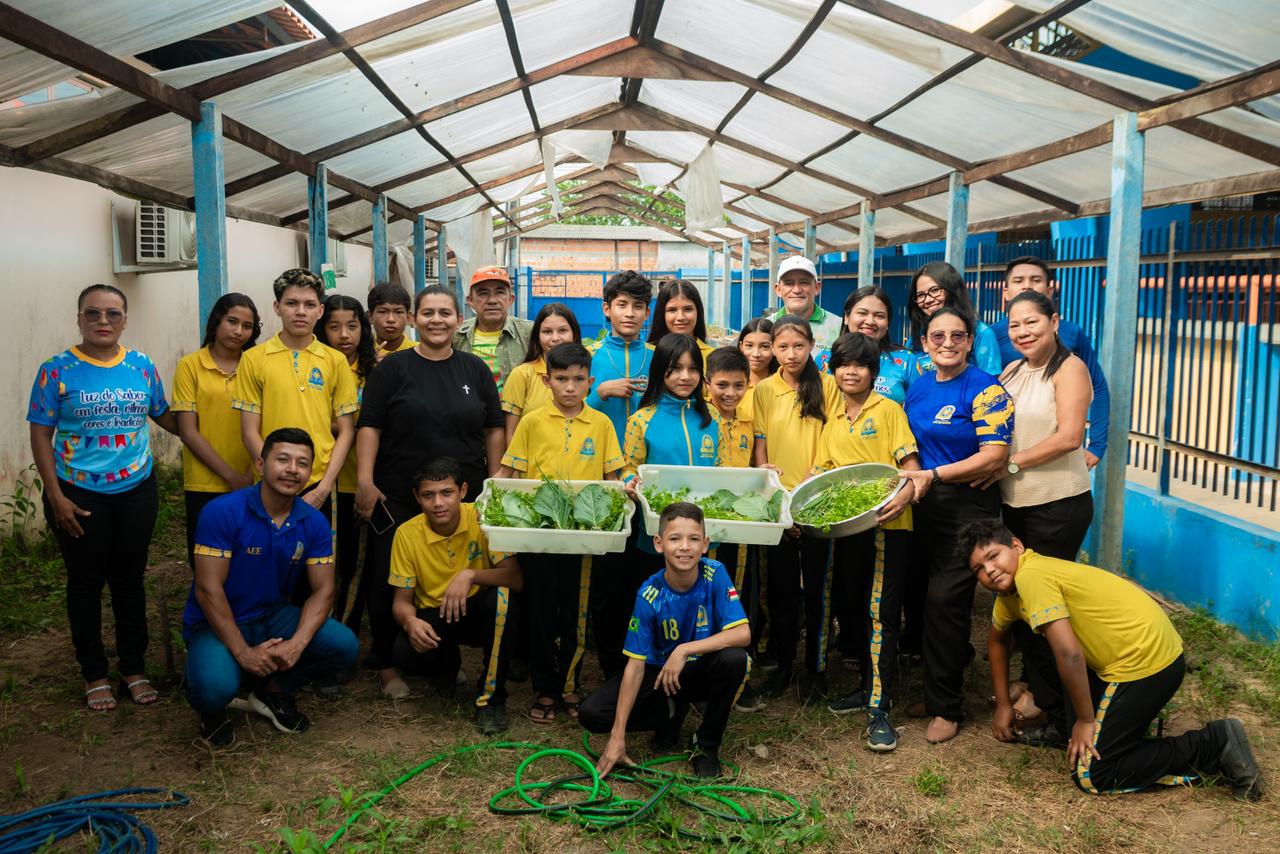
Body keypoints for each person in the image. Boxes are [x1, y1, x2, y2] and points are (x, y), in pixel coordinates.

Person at [962, 520, 1263, 801]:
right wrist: (1003, 704)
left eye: (993, 556)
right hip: (1144, 657)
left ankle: (1214, 743)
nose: (989, 570)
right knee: (1082, 741)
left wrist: (1086, 720)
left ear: (1016, 546)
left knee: (1094, 774)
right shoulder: (1010, 594)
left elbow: (1069, 654)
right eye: (978, 568)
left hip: (1144, 665)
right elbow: (997, 640)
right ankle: (1112, 732)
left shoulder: (1031, 575)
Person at [28, 283, 177, 711]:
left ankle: (133, 667)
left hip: (136, 489)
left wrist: (208, 436)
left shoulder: (141, 365)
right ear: (79, 319)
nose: (103, 322)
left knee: (129, 581)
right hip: (77, 492)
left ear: (125, 320)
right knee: (86, 583)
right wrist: (54, 495)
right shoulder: (56, 370)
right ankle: (94, 673)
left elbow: (161, 413)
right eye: (93, 314)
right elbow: (40, 433)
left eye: (112, 314)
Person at [356, 285, 503, 700]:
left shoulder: (474, 370)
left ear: (459, 320)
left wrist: (493, 483)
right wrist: (366, 480)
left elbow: (493, 428)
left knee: (465, 574)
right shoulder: (392, 369)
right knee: (388, 578)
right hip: (399, 496)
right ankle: (386, 664)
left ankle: (448, 649)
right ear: (412, 319)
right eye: (427, 313)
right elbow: (370, 426)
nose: (436, 320)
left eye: (445, 313)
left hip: (465, 496)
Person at [183, 428, 360, 747]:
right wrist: (242, 652)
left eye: (302, 463)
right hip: (215, 622)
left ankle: (273, 689)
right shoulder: (222, 512)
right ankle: (213, 708)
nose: (293, 469)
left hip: (272, 617)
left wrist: (297, 644)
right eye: (283, 459)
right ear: (261, 465)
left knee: (344, 646)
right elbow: (208, 590)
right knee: (214, 687)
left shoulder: (314, 522)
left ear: (309, 473)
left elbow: (324, 591)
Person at [900, 308, 1013, 744]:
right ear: (925, 343)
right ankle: (936, 692)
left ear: (970, 342)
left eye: (957, 336)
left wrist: (936, 475)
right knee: (921, 599)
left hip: (968, 510)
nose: (947, 343)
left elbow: (994, 455)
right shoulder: (922, 385)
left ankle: (948, 707)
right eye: (937, 336)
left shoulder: (986, 389)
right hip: (923, 504)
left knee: (945, 600)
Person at [496, 342, 623, 725]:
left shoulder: (601, 425)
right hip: (540, 532)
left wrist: (623, 496)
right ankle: (545, 687)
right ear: (547, 381)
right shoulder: (533, 421)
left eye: (579, 379)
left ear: (590, 382)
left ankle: (569, 684)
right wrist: (489, 497)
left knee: (577, 613)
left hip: (584, 536)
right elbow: (511, 473)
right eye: (562, 379)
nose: (570, 387)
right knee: (541, 612)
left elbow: (612, 479)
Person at [580, 502, 750, 779]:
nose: (685, 547)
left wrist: (684, 650)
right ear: (659, 544)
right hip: (659, 677)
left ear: (705, 544)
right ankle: (670, 714)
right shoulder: (649, 594)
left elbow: (743, 634)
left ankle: (706, 745)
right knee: (592, 714)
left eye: (694, 539)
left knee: (734, 659)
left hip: (697, 670)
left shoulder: (715, 573)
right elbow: (635, 667)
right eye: (674, 538)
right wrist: (617, 735)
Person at [810, 333, 919, 751]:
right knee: (853, 607)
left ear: (874, 372)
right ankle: (864, 689)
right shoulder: (834, 420)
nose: (851, 371)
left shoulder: (888, 410)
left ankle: (879, 709)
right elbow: (821, 474)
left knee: (880, 614)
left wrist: (906, 495)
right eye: (843, 365)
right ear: (833, 371)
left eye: (860, 365)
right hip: (849, 530)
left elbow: (910, 467)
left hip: (888, 528)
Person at [389, 457, 523, 735]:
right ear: (417, 497)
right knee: (404, 651)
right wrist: (410, 623)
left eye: (446, 493)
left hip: (479, 609)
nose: (438, 503)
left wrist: (470, 575)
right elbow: (401, 602)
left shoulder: (484, 515)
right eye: (429, 495)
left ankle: (491, 698)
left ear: (462, 491)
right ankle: (445, 668)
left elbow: (514, 578)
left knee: (503, 599)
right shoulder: (406, 534)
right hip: (437, 616)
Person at [752, 315, 843, 703]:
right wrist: (778, 498)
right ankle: (784, 667)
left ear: (812, 347)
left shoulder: (828, 387)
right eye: (782, 347)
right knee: (782, 591)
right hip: (779, 507)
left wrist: (808, 492)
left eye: (798, 346)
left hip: (817, 503)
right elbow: (761, 449)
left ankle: (816, 670)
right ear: (773, 349)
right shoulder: (763, 391)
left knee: (819, 593)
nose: (790, 354)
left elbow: (833, 442)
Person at [976, 291, 1093, 560]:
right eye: (1014, 326)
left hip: (1056, 503)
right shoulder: (1011, 370)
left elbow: (1070, 437)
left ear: (1053, 322)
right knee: (1019, 586)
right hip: (1014, 500)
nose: (1022, 332)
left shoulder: (1070, 368)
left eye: (1031, 322)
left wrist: (1010, 463)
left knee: (1045, 589)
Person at [232, 268, 357, 517]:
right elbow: (249, 432)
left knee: (316, 555)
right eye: (292, 303)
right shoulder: (253, 359)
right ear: (277, 307)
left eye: (309, 304)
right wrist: (274, 475)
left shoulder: (335, 361)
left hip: (318, 483)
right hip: (269, 483)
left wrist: (322, 489)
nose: (301, 312)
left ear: (320, 311)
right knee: (269, 553)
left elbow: (346, 431)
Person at [992, 257, 1109, 468]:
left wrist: (1097, 445)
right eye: (1018, 280)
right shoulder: (991, 336)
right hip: (1009, 452)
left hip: (1057, 457)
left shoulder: (1072, 334)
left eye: (1035, 279)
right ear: (1006, 292)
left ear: (1050, 289)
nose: (1027, 285)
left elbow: (1098, 386)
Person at [173, 293, 260, 567]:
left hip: (255, 481)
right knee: (207, 562)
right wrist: (231, 476)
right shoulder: (190, 366)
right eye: (232, 322)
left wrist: (250, 473)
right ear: (216, 322)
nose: (239, 331)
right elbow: (188, 432)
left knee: (249, 560)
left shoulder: (258, 364)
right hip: (205, 482)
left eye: (247, 326)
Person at [704, 346, 763, 713]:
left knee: (736, 594)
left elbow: (757, 465)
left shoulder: (749, 420)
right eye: (722, 385)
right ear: (707, 383)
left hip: (740, 525)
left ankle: (738, 677)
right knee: (704, 595)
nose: (730, 393)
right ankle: (701, 671)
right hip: (706, 525)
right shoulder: (697, 417)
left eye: (738, 385)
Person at [314, 295, 377, 632]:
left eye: (352, 326)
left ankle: (345, 627)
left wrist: (345, 424)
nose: (343, 335)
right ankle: (319, 624)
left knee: (356, 561)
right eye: (334, 327)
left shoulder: (374, 370)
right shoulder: (315, 365)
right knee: (324, 559)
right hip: (322, 478)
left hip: (359, 479)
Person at [585, 270, 655, 444]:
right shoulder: (588, 355)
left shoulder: (657, 356)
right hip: (596, 453)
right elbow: (570, 412)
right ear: (607, 309)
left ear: (647, 313)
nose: (630, 313)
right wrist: (600, 393)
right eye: (622, 305)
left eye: (637, 306)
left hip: (646, 460)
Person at [501, 302, 581, 443]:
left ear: (574, 334)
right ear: (537, 337)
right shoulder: (521, 375)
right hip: (532, 462)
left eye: (563, 331)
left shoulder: (586, 373)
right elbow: (511, 435)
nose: (555, 338)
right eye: (547, 332)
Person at [907, 261, 1001, 376]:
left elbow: (991, 384)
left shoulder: (981, 333)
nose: (928, 300)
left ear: (952, 290)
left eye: (935, 290)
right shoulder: (916, 337)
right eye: (920, 295)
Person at [831, 285, 917, 404]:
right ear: (846, 317)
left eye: (879, 316)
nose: (870, 321)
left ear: (888, 322)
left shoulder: (906, 360)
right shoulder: (824, 359)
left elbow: (921, 408)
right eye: (862, 313)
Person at [453, 265, 532, 393]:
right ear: (470, 301)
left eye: (500, 292)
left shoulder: (529, 333)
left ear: (511, 299)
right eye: (483, 293)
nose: (492, 300)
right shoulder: (456, 335)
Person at [769, 256, 843, 352]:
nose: (796, 290)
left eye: (804, 283)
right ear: (778, 289)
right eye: (789, 283)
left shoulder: (838, 327)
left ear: (817, 287)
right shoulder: (767, 326)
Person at [647, 279, 713, 365]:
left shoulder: (713, 357)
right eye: (672, 310)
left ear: (698, 312)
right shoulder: (647, 355)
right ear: (661, 314)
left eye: (688, 309)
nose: (680, 317)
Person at [368, 281, 415, 362]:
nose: (391, 319)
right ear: (370, 317)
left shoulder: (420, 353)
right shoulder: (361, 355)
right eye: (382, 312)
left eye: (398, 312)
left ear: (408, 317)